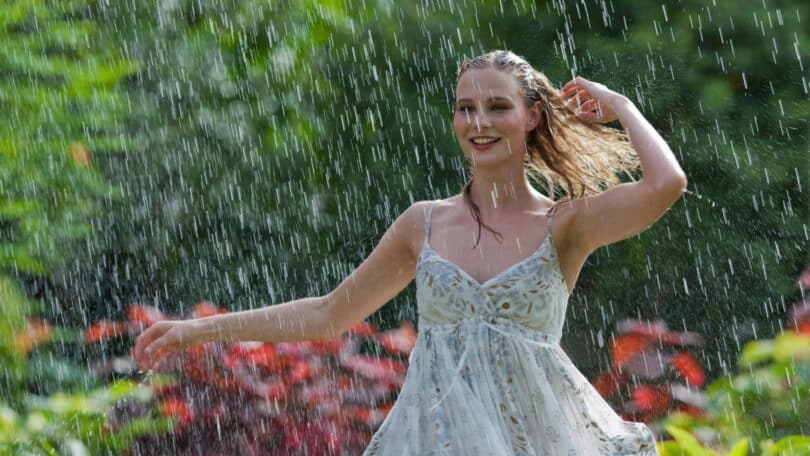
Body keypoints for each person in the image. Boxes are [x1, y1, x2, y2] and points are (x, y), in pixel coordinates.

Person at [133, 50, 686, 454]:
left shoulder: (565, 224)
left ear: (532, 115)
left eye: (497, 107)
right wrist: (196, 331)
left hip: (536, 441)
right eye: (465, 109)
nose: (479, 123)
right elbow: (328, 314)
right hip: (437, 442)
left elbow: (667, 184)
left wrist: (621, 106)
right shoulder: (422, 224)